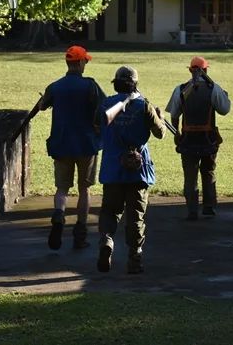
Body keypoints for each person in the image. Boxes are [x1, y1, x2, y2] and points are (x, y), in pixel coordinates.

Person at [95, 66, 166, 274]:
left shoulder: (106, 104)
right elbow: (160, 133)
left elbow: (97, 126)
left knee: (110, 211)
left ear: (116, 83)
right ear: (135, 83)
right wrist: (159, 117)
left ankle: (107, 240)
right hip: (138, 171)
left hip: (112, 169)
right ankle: (135, 258)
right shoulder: (144, 106)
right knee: (136, 216)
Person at [39, 45, 105, 250]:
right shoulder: (90, 86)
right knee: (84, 189)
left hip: (61, 143)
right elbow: (104, 108)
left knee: (61, 188)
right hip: (86, 144)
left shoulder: (55, 86)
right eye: (85, 60)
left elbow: (41, 106)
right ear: (79, 62)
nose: (86, 64)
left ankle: (59, 215)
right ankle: (80, 234)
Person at [165, 56, 230, 220]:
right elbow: (224, 110)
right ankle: (208, 207)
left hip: (188, 139)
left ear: (190, 70)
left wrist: (177, 135)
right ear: (206, 70)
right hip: (208, 138)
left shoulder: (180, 89)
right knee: (208, 172)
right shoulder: (213, 88)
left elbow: (174, 114)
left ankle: (192, 210)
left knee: (190, 176)